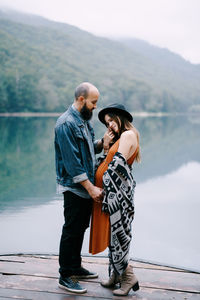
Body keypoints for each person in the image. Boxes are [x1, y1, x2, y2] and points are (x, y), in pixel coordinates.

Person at [54, 82, 105, 294]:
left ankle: (75, 266)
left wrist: (102, 142)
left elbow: (86, 151)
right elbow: (72, 162)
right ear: (82, 99)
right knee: (72, 230)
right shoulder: (66, 124)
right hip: (75, 188)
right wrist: (91, 188)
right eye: (93, 102)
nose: (95, 107)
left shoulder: (83, 121)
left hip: (85, 187)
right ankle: (65, 274)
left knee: (80, 228)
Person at [89, 103, 141, 296]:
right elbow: (107, 163)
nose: (109, 125)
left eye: (111, 120)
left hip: (118, 195)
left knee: (119, 234)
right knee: (113, 235)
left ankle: (128, 277)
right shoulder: (121, 138)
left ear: (120, 117)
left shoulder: (128, 135)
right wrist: (106, 147)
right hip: (112, 194)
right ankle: (116, 274)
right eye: (106, 122)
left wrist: (101, 190)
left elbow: (116, 167)